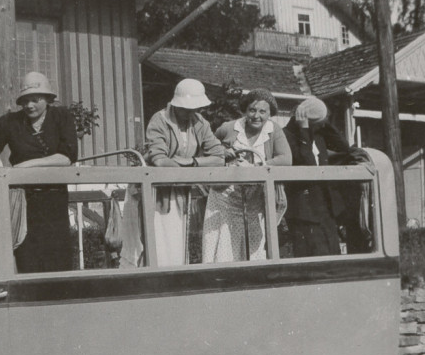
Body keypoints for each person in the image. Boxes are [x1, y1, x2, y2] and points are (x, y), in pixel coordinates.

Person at [0, 72, 77, 273]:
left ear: (47, 99)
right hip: (22, 201)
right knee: (27, 256)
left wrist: (23, 166)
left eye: (35, 99)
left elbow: (67, 157)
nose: (29, 106)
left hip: (54, 200)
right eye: (25, 101)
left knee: (58, 259)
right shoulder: (12, 121)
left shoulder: (61, 117)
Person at [203, 88, 291, 262]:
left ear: (270, 113)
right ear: (244, 110)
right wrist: (225, 154)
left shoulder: (274, 130)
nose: (256, 116)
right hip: (224, 197)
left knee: (253, 246)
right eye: (252, 110)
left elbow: (286, 159)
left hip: (254, 199)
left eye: (262, 111)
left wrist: (257, 166)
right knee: (222, 244)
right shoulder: (228, 128)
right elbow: (209, 150)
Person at [144, 78, 226, 265]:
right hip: (156, 192)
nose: (190, 113)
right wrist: (183, 166)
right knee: (158, 242)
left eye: (194, 109)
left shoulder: (199, 122)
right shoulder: (160, 120)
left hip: (181, 190)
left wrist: (192, 161)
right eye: (186, 109)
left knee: (178, 243)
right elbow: (159, 160)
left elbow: (219, 156)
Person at [282, 97, 343, 256]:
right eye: (320, 122)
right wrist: (303, 130)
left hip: (325, 206)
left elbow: (343, 147)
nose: (323, 125)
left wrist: (324, 121)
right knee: (315, 257)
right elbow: (307, 162)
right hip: (305, 211)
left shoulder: (318, 134)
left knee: (333, 255)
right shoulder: (286, 136)